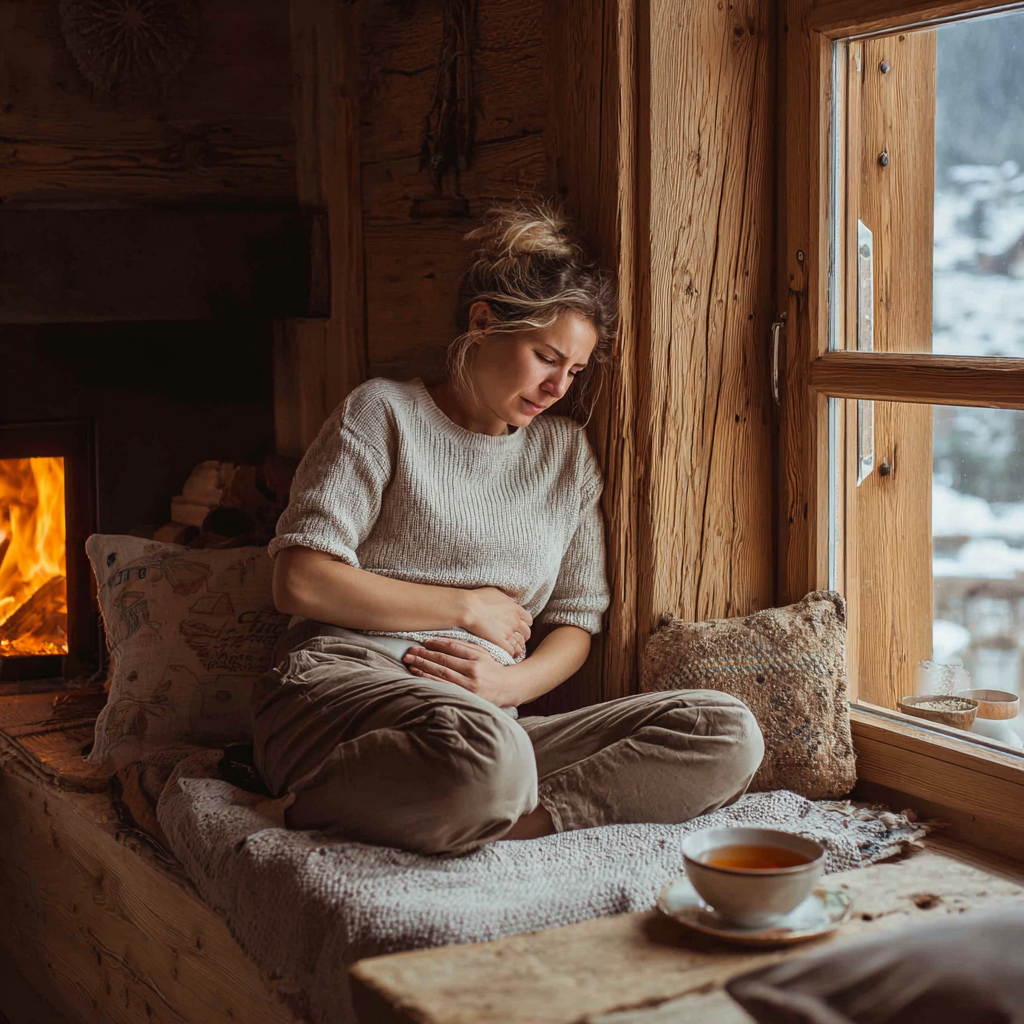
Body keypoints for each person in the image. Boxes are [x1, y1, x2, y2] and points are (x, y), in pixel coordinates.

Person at [251, 202, 764, 856]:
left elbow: (576, 621)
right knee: (492, 756)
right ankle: (320, 804)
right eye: (546, 357)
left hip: (485, 728)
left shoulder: (564, 455)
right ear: (483, 323)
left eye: (575, 371)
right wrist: (466, 608)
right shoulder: (384, 414)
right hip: (341, 692)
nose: (557, 387)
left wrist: (509, 686)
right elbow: (299, 580)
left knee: (725, 731)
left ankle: (500, 818)